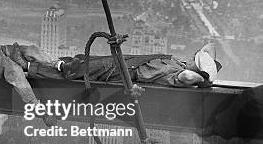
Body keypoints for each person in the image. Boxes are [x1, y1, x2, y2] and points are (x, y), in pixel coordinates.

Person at [31, 42, 222, 88]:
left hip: (123, 72)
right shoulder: (176, 61)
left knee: (77, 70)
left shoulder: (179, 74)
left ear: (194, 66)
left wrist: (203, 78)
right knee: (81, 60)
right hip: (122, 63)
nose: (191, 57)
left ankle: (34, 68)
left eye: (194, 59)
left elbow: (188, 78)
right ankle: (38, 64)